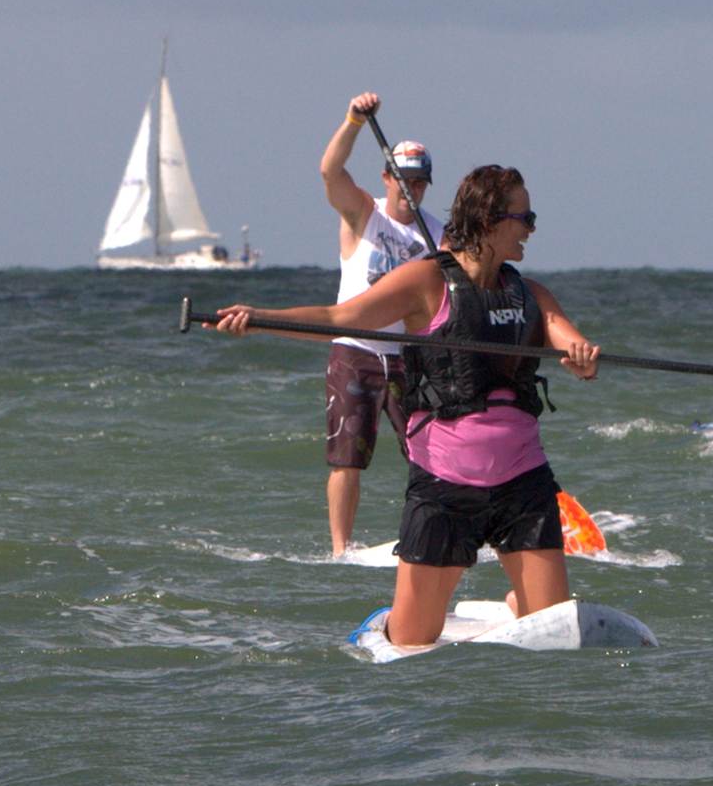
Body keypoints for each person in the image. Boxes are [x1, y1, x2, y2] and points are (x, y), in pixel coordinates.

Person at [211, 164, 599, 648]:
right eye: (526, 218)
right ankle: (399, 618)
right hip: (443, 485)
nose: (532, 229)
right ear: (489, 220)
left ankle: (520, 604)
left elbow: (572, 345)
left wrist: (582, 359)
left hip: (522, 484)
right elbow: (339, 318)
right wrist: (258, 319)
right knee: (414, 639)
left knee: (553, 629)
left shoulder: (531, 295)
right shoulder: (425, 282)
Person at [318, 92, 444, 556]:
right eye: (404, 179)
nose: (411, 189)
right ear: (387, 178)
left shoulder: (438, 234)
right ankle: (341, 549)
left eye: (420, 182)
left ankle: (434, 538)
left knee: (431, 455)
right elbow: (330, 171)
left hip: (410, 356)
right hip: (356, 352)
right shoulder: (362, 214)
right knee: (347, 459)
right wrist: (353, 120)